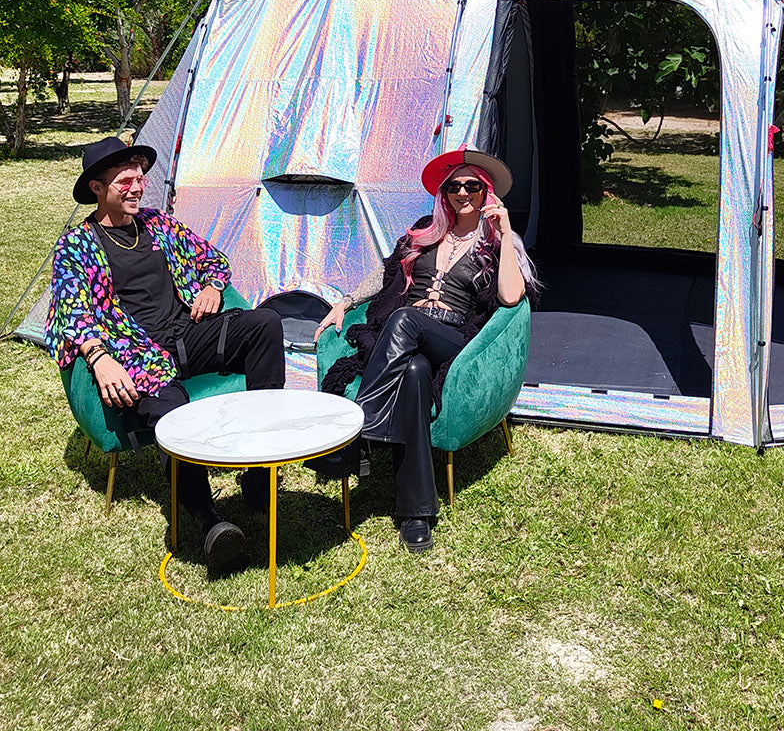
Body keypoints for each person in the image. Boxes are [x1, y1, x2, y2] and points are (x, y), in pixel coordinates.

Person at [45, 137, 286, 575]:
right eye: (125, 181)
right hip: (136, 354)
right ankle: (210, 522)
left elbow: (213, 259)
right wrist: (99, 357)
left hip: (187, 335)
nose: (137, 187)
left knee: (265, 324)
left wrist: (212, 286)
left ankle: (258, 472)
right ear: (97, 188)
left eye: (140, 178)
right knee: (172, 413)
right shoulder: (77, 245)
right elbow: (69, 312)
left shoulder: (158, 224)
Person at [312, 148, 539, 553]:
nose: (462, 193)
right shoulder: (423, 231)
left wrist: (506, 233)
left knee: (405, 320)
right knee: (415, 372)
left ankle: (355, 437)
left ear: (486, 192)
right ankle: (416, 512)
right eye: (454, 187)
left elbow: (510, 296)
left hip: (452, 339)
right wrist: (345, 302)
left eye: (472, 186)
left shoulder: (496, 243)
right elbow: (385, 272)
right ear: (444, 193)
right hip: (406, 342)